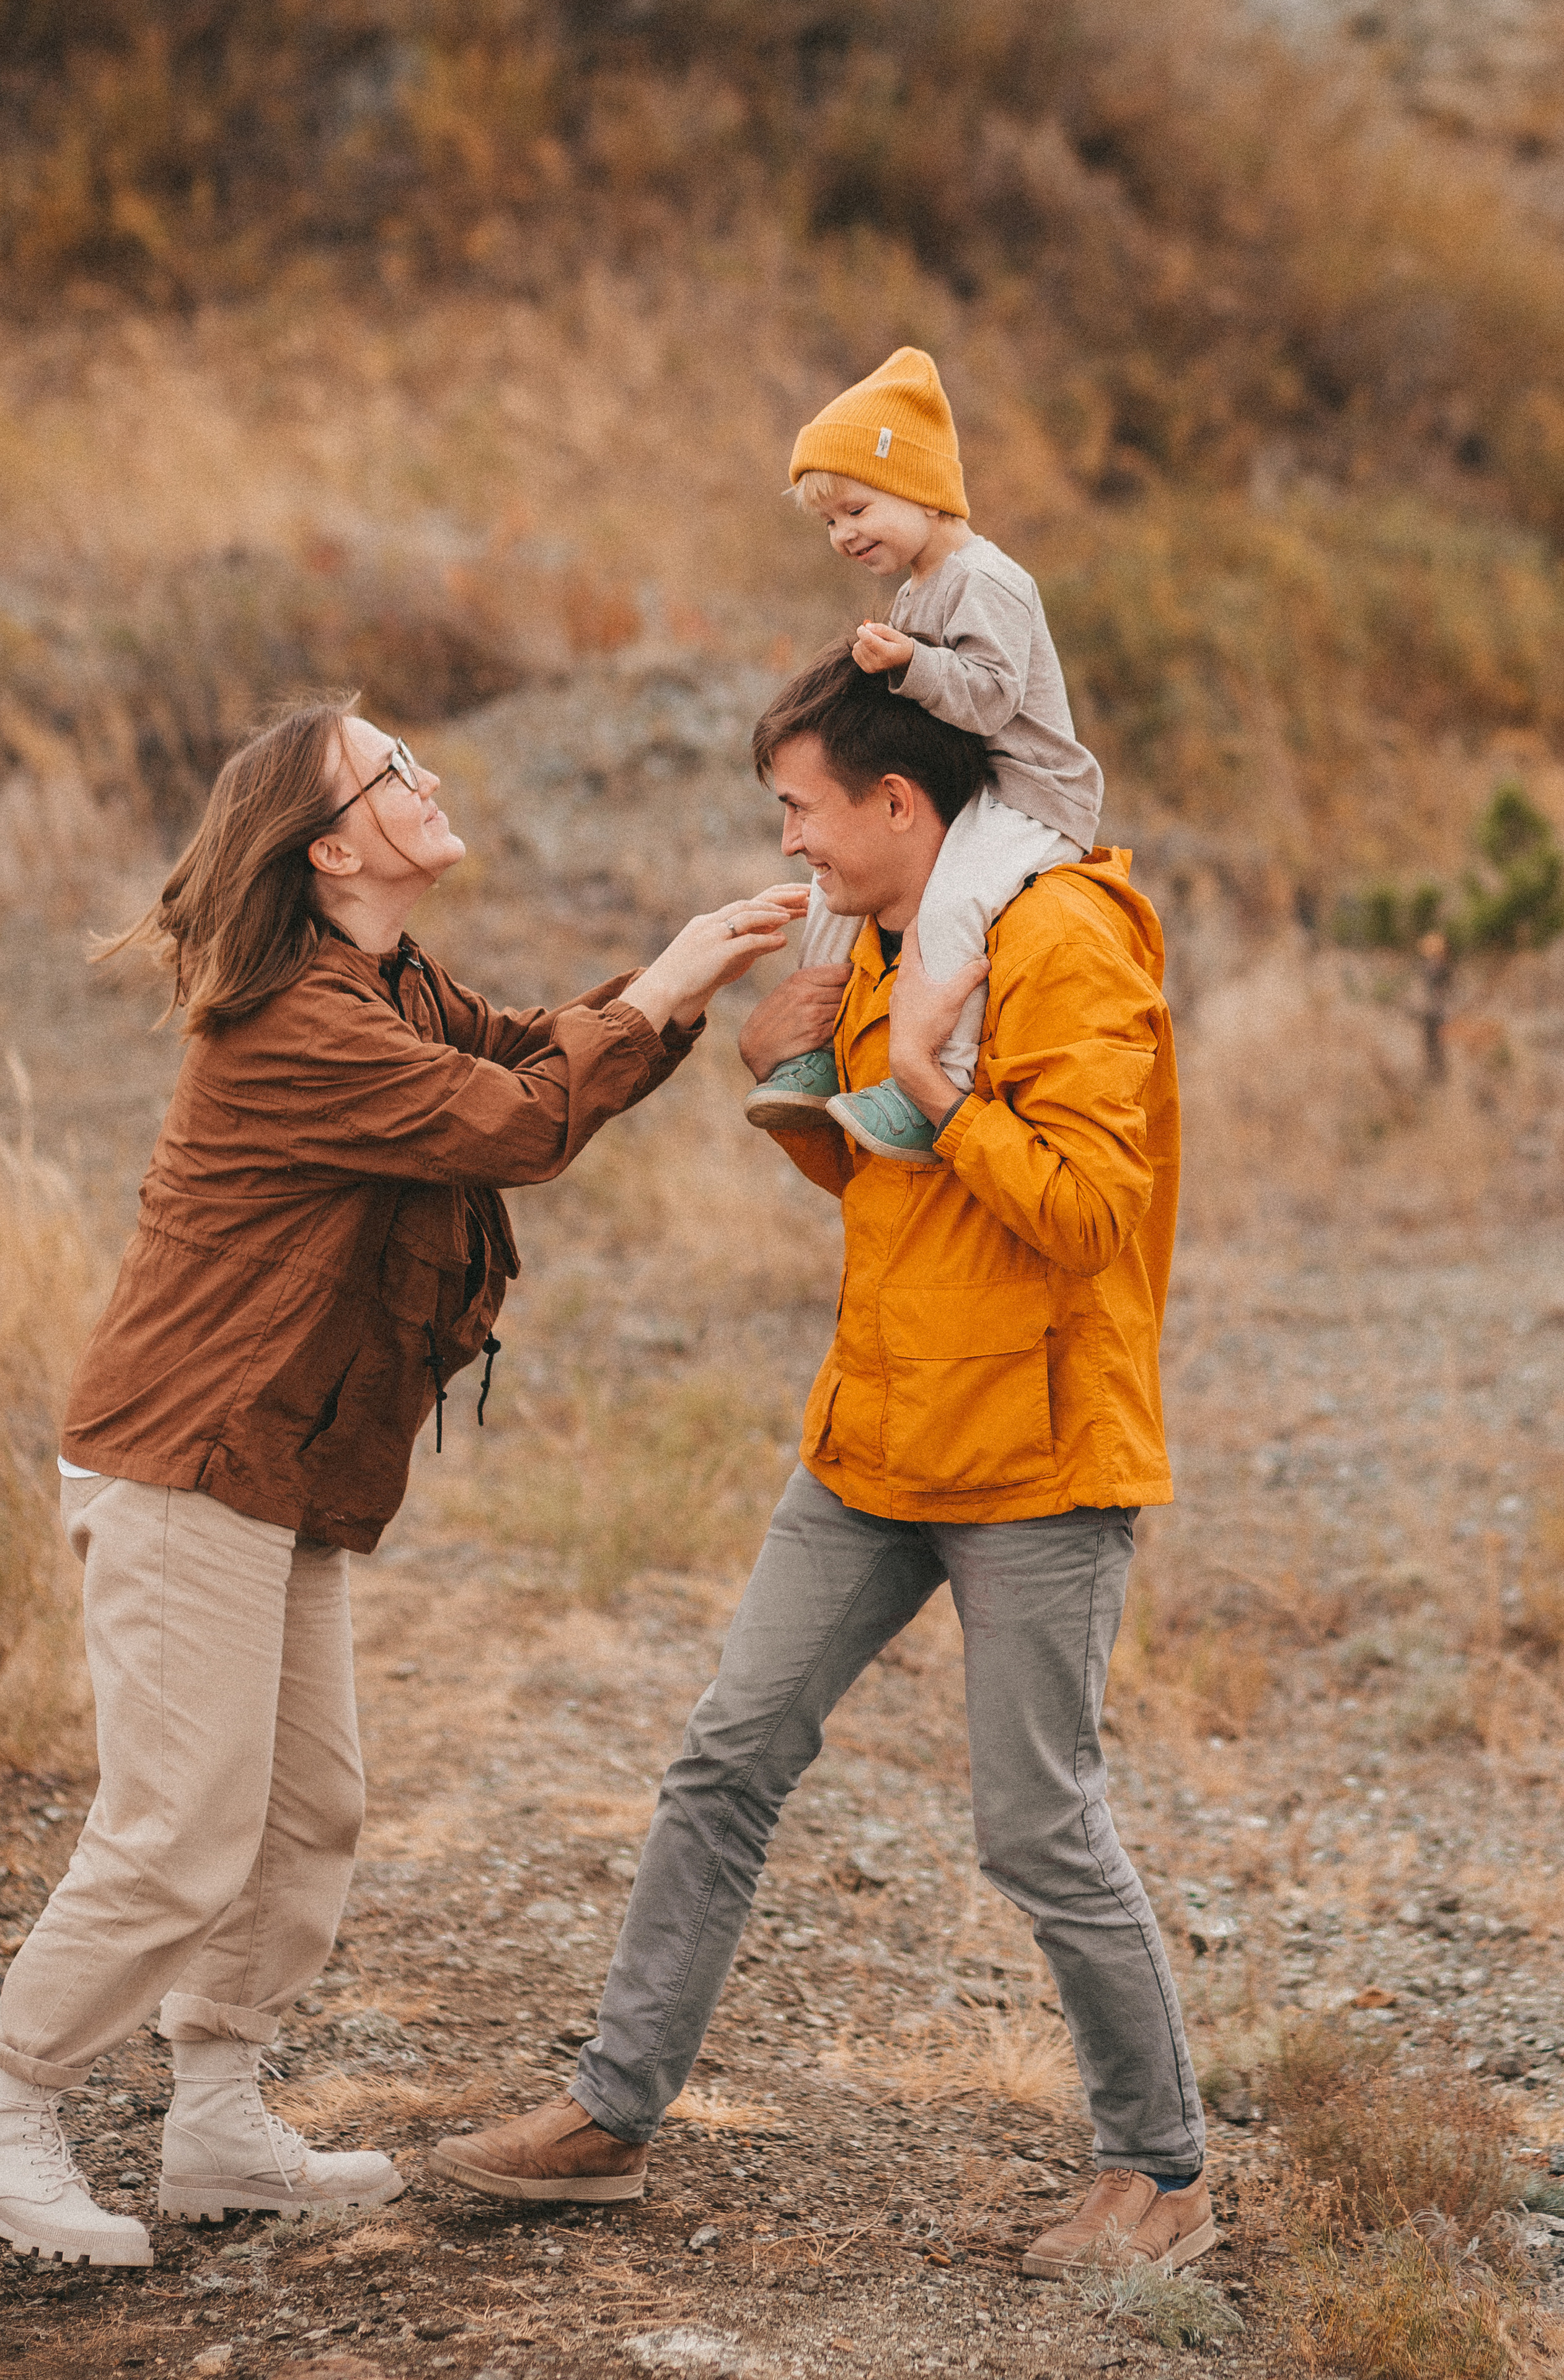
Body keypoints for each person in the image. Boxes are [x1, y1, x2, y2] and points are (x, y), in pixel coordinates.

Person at [431, 645, 1213, 2279]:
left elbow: (1085, 1212)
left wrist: (927, 1070)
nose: (787, 841)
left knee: (1036, 1826)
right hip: (875, 1435)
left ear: (896, 799)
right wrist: (791, 1080)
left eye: (800, 809)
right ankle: (608, 2117)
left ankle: (1162, 2173)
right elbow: (893, 1190)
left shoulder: (1061, 936)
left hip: (1040, 1460)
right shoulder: (880, 932)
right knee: (726, 1756)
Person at [0, 699, 805, 2269]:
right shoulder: (294, 1020)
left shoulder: (390, 983)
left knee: (307, 1814)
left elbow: (517, 1059)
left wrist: (683, 974)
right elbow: (508, 1125)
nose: (427, 780)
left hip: (283, 1458)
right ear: (333, 845)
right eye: (393, 773)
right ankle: (13, 2092)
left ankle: (217, 2121)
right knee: (180, 1828)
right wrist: (659, 986)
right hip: (189, 1453)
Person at [743, 345, 1106, 1165]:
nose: (843, 535)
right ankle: (819, 1050)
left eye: (857, 510)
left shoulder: (991, 583)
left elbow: (986, 698)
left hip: (1032, 795)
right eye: (831, 522)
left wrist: (908, 665)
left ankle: (932, 1082)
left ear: (925, 491)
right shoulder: (918, 590)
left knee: (949, 908)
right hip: (975, 787)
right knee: (831, 897)